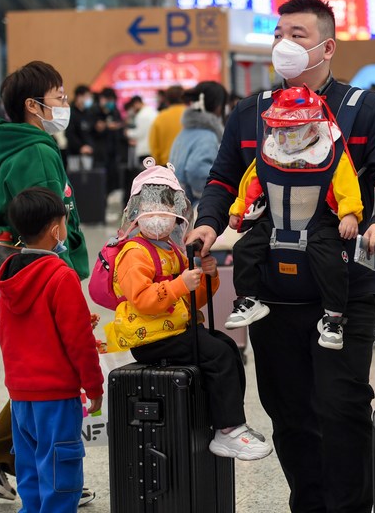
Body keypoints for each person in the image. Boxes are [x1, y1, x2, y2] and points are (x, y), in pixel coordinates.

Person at [186, 0, 375, 512]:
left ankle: (350, 506)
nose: (284, 45)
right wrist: (205, 224)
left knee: (339, 405)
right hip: (271, 294)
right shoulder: (253, 113)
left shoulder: (363, 109)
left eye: (298, 35)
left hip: (342, 290)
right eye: (278, 35)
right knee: (287, 411)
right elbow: (223, 181)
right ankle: (307, 504)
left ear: (327, 46)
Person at [0, 60, 95, 506]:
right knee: (52, 370)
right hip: (42, 270)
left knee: (31, 364)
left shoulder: (7, 145)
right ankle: (19, 463)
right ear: (33, 106)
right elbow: (49, 219)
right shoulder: (36, 151)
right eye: (58, 97)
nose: (64, 105)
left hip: (12, 269)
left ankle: (12, 459)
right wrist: (66, 267)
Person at [103, 159, 272, 460]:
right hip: (151, 339)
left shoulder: (171, 249)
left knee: (227, 348)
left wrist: (207, 274)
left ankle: (231, 423)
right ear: (136, 212)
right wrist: (181, 284)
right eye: (150, 208)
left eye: (164, 208)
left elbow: (194, 299)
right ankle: (227, 429)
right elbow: (142, 299)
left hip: (174, 330)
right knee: (217, 354)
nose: (158, 216)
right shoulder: (133, 252)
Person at [224, 85, 363, 350]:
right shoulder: (270, 150)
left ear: (313, 127)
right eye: (280, 129)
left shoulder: (330, 151)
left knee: (332, 261)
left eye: (292, 129)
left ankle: (333, 318)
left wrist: (350, 214)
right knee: (244, 249)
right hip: (274, 217)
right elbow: (252, 184)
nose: (285, 136)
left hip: (316, 220)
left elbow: (348, 185)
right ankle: (248, 300)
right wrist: (238, 212)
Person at [0, 187, 104, 511]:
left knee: (30, 475)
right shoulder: (61, 277)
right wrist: (94, 385)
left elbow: (12, 335)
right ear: (57, 230)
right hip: (55, 398)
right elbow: (79, 342)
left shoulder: (9, 277)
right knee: (61, 477)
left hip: (20, 399)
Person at [170, 81, 228, 209]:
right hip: (195, 205)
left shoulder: (185, 132)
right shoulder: (207, 136)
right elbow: (196, 169)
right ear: (218, 105)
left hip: (179, 204)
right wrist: (211, 195)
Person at [148, 84, 186, 165]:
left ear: (167, 99)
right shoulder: (191, 116)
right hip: (187, 163)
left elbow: (154, 146)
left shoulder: (160, 117)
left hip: (166, 165)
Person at [66, 84, 96, 171]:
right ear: (79, 97)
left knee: (88, 180)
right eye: (87, 96)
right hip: (74, 153)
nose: (89, 99)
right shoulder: (70, 112)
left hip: (88, 153)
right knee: (75, 179)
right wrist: (80, 147)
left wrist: (90, 146)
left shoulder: (89, 113)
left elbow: (90, 133)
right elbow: (69, 133)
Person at [125, 94, 158, 165]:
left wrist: (128, 132)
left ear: (136, 104)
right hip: (153, 149)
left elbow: (139, 133)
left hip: (144, 150)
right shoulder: (153, 112)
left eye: (133, 107)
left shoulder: (141, 115)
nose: (133, 110)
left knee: (145, 174)